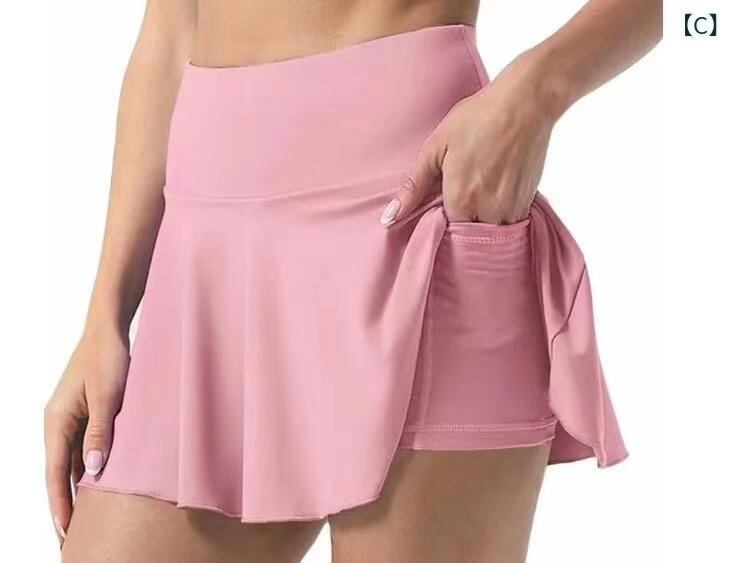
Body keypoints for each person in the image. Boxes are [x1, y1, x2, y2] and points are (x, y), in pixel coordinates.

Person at [45, 1, 661, 561]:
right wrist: (105, 316)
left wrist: (537, 90)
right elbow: (171, 28)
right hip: (204, 267)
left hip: (412, 223)